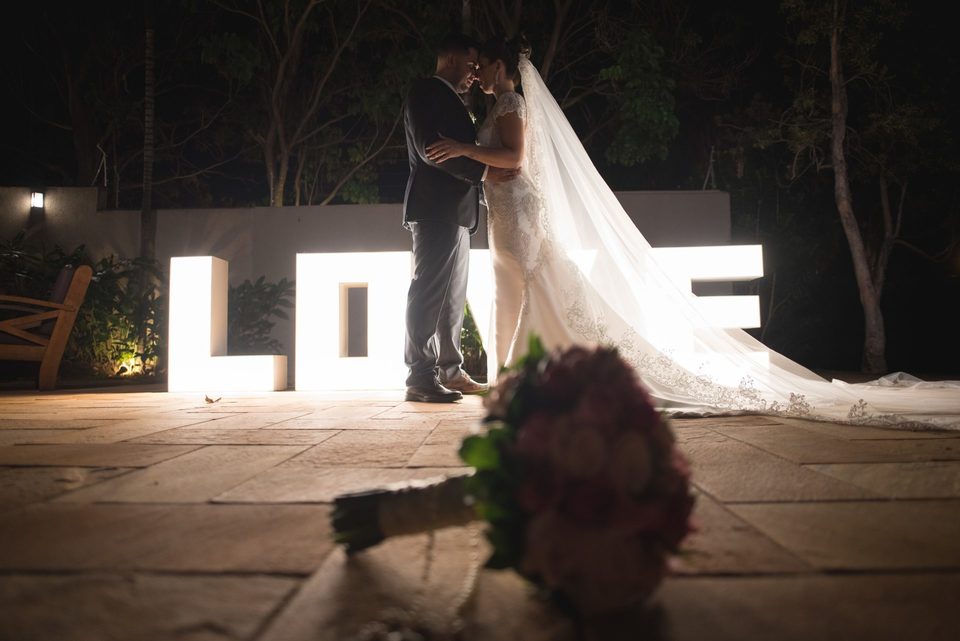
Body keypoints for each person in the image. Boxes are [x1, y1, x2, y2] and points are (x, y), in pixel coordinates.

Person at [425, 36, 960, 429]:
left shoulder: (513, 105)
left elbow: (515, 158)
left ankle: (528, 377)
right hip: (501, 215)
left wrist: (469, 151)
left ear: (503, 65)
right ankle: (513, 376)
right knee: (509, 292)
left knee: (532, 287)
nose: (477, 73)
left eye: (483, 64)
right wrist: (476, 158)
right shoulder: (493, 107)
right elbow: (498, 164)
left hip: (519, 214)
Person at [402, 33, 517, 403]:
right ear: (450, 60)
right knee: (428, 289)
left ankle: (449, 371)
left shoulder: (454, 99)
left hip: (458, 212)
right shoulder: (425, 91)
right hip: (435, 209)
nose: (474, 73)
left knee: (452, 297)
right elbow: (430, 150)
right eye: (470, 65)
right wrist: (484, 174)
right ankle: (420, 374)